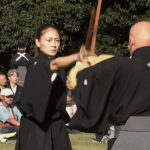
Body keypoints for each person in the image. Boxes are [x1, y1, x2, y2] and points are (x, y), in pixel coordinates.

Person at [69, 21, 150, 150]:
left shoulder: (117, 66)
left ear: (131, 40)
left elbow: (82, 79)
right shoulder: (118, 65)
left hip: (130, 137)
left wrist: (84, 66)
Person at [15, 24, 83, 150]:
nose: (54, 44)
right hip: (36, 128)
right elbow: (54, 64)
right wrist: (77, 56)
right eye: (49, 40)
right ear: (38, 42)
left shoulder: (59, 68)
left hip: (56, 125)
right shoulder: (38, 63)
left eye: (57, 40)